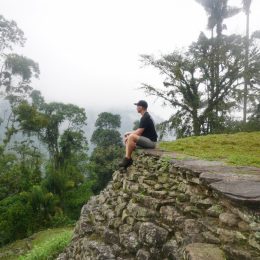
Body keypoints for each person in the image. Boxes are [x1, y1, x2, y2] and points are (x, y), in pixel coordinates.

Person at [119, 100, 158, 168]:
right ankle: (129, 158)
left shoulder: (145, 117)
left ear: (141, 107)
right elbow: (140, 130)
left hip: (151, 142)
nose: (136, 108)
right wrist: (128, 134)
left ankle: (127, 158)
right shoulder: (145, 116)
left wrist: (129, 135)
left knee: (131, 137)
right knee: (129, 137)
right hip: (147, 140)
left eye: (137, 106)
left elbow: (139, 132)